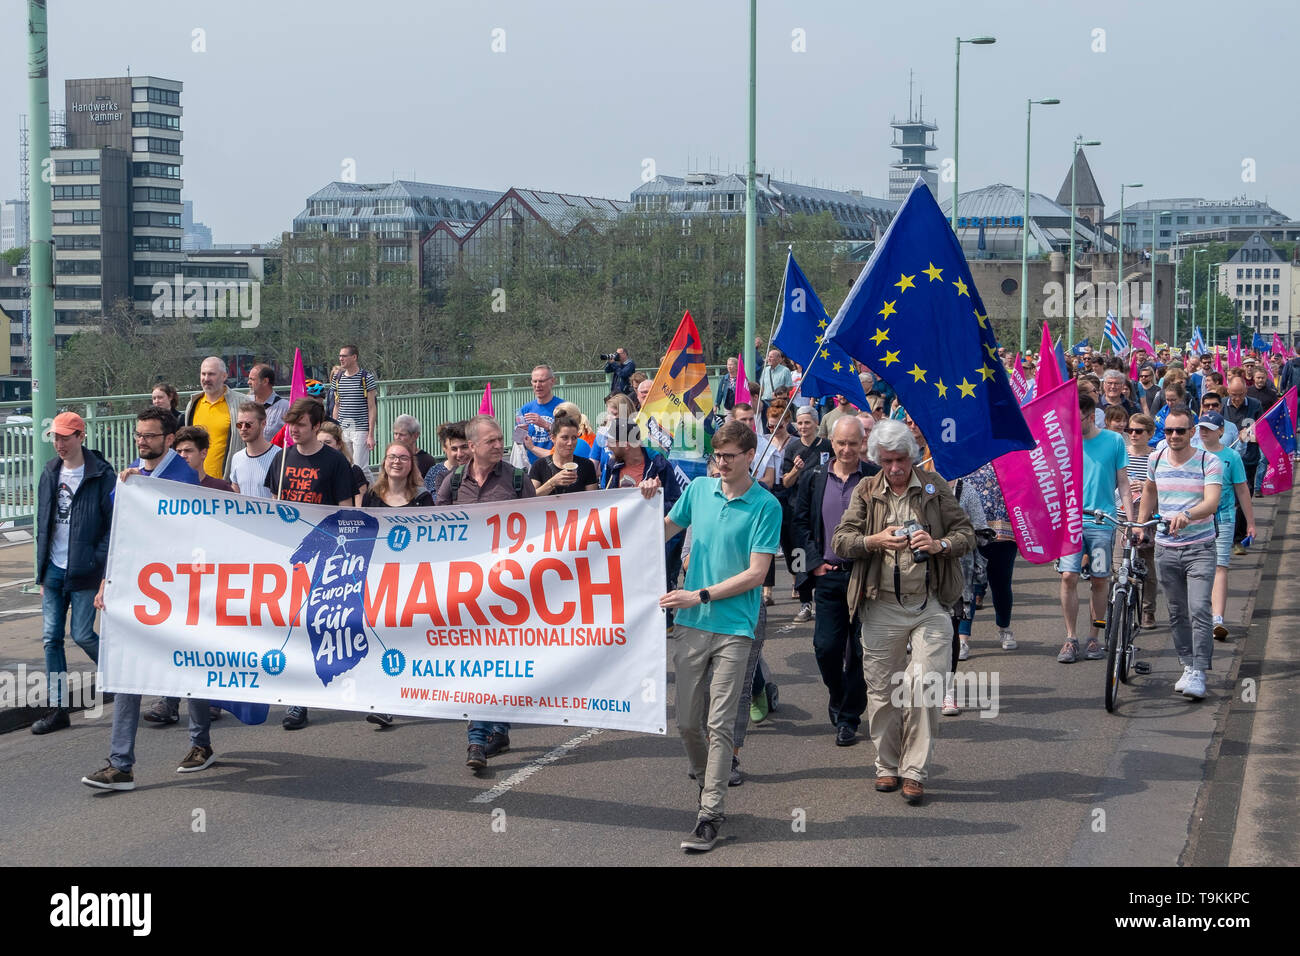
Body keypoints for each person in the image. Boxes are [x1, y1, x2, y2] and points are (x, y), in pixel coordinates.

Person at [830, 418, 975, 806]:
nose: (895, 468)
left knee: (923, 687)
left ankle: (915, 771)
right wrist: (873, 541)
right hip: (880, 606)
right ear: (876, 459)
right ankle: (887, 765)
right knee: (881, 693)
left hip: (929, 605)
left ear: (912, 456)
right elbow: (841, 541)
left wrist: (939, 543)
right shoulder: (866, 489)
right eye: (887, 461)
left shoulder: (932, 486)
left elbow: (966, 534)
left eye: (901, 460)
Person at [661, 420, 782, 852]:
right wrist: (638, 504)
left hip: (734, 626)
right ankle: (705, 780)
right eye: (718, 455)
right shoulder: (698, 491)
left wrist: (700, 594)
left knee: (719, 723)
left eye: (730, 456)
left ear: (750, 456)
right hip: (692, 626)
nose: (722, 463)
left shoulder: (766, 506)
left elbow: (756, 573)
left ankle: (710, 812)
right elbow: (661, 531)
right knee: (687, 722)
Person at [81, 411, 212, 790]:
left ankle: (200, 742)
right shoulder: (132, 476)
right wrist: (107, 581)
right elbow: (122, 532)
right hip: (138, 591)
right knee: (128, 671)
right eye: (139, 435)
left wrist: (143, 486)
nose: (142, 441)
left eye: (150, 436)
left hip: (180, 592)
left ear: (169, 439)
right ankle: (121, 763)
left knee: (192, 668)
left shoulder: (182, 477)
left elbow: (178, 528)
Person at [436, 415, 536, 768]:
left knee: (501, 663)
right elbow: (437, 533)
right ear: (473, 446)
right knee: (476, 664)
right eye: (491, 441)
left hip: (509, 589)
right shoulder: (454, 482)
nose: (499, 445)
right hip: (467, 589)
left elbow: (539, 530)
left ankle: (500, 728)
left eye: (500, 440)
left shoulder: (518, 479)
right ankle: (477, 740)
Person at [265, 397, 358, 731]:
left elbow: (345, 510)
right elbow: (274, 504)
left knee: (316, 624)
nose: (293, 430)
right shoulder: (282, 458)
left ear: (317, 426)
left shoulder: (334, 462)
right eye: (291, 424)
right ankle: (298, 698)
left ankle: (326, 685)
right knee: (291, 624)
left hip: (325, 553)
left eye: (300, 424)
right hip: (288, 555)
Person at [791, 416, 879, 746]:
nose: (846, 449)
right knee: (826, 648)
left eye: (853, 443)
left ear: (862, 444)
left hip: (865, 579)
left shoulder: (873, 477)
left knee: (859, 651)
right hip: (828, 576)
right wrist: (812, 565)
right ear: (831, 441)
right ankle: (838, 695)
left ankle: (849, 718)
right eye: (841, 443)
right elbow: (799, 523)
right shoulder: (814, 476)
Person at [31, 412, 114, 735]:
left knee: (81, 635)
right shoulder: (50, 471)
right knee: (51, 639)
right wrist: (41, 572)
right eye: (55, 437)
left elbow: (111, 525)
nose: (59, 444)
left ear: (81, 436)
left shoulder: (100, 474)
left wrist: (97, 561)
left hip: (84, 569)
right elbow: (44, 522)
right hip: (53, 568)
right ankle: (57, 709)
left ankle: (120, 676)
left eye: (65, 437)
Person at [1137, 405, 1223, 701]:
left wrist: (1188, 513)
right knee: (1176, 612)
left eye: (1180, 431)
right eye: (1169, 430)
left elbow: (1211, 503)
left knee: (1199, 608)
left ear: (1192, 432)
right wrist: (1140, 523)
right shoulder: (1156, 458)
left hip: (1200, 547)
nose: (1174, 436)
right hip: (1165, 548)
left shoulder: (1208, 462)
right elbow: (1150, 490)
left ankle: (1199, 670)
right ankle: (1187, 665)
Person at [1057, 391, 1132, 663]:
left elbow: (1123, 483)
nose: (1073, 425)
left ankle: (1094, 637)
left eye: (1078, 420)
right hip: (1071, 524)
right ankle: (1070, 638)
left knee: (1101, 579)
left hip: (1102, 523)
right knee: (1068, 577)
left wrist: (1129, 521)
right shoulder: (1065, 442)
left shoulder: (1113, 441)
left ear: (1090, 417)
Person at [604, 417, 688, 630]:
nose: (607, 445)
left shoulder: (659, 465)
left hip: (658, 539)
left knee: (660, 584)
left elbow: (675, 505)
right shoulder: (613, 465)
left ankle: (664, 624)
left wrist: (652, 500)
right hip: (625, 540)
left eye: (611, 440)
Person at [1195, 412, 1253, 642]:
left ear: (1221, 431)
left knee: (1220, 567)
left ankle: (1217, 619)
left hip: (1224, 518)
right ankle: (1199, 616)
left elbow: (1242, 489)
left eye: (1209, 428)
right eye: (1201, 428)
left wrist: (1250, 523)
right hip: (1197, 519)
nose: (1204, 432)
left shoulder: (1231, 456)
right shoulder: (1194, 454)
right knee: (1199, 570)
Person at [962, 462, 1020, 653]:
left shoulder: (1012, 454)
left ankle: (1004, 628)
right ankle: (962, 638)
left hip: (1005, 532)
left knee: (1001, 584)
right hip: (970, 531)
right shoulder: (966, 453)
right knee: (966, 585)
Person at [781, 406, 831, 621]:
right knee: (799, 556)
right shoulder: (792, 448)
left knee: (821, 554)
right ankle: (804, 602)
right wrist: (796, 470)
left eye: (807, 422)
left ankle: (823, 600)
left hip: (821, 510)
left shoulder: (827, 446)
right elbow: (785, 482)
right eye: (799, 423)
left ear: (816, 424)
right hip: (797, 510)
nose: (803, 427)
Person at [1123, 414, 1160, 629]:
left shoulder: (1156, 456)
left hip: (1147, 519)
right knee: (1120, 567)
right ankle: (1120, 606)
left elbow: (1162, 485)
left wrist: (1145, 486)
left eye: (1138, 431)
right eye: (1130, 431)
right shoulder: (1122, 455)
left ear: (1150, 434)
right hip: (1123, 517)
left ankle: (1148, 611)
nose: (1133, 435)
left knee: (1147, 568)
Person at [181, 356, 243, 480]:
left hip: (228, 483)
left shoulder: (241, 403)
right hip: (197, 482)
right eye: (203, 374)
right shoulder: (193, 404)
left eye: (211, 374)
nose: (206, 379)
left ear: (224, 376)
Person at [1223, 376, 1262, 553]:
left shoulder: (1255, 405)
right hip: (1226, 460)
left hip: (1248, 460)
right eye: (1233, 395)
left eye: (1239, 395)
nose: (1236, 399)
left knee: (1244, 497)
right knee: (1228, 498)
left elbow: (1262, 432)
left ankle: (1239, 539)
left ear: (1246, 392)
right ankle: (1227, 536)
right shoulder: (1222, 405)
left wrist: (1248, 437)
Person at [331, 344, 378, 479]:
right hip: (343, 428)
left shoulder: (366, 378)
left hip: (360, 428)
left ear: (354, 357)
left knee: (360, 468)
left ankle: (370, 495)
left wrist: (370, 434)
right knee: (346, 465)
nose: (341, 359)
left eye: (344, 356)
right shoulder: (338, 378)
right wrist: (335, 429)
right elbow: (336, 405)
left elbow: (371, 407)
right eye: (340, 356)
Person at [530, 414, 599, 494]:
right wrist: (552, 483)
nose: (570, 443)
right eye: (565, 438)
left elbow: (592, 499)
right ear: (553, 438)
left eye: (574, 438)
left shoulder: (586, 465)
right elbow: (530, 498)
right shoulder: (539, 465)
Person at [517, 364, 564, 464]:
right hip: (532, 466)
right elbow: (518, 442)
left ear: (552, 381)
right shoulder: (526, 409)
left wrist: (546, 425)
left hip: (556, 463)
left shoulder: (563, 407)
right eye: (534, 381)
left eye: (542, 381)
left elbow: (568, 438)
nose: (538, 385)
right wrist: (520, 433)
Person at [228, 401, 276, 499]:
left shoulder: (279, 456)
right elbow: (235, 494)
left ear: (263, 424)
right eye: (239, 425)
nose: (243, 428)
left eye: (248, 424)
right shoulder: (237, 457)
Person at [362, 442, 434, 508]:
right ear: (384, 463)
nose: (397, 461)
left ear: (411, 465)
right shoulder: (371, 495)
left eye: (403, 458)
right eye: (392, 457)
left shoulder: (422, 497)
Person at [318, 420, 368, 505]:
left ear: (339, 444)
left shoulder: (354, 471)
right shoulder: (311, 469)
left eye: (328, 442)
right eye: (319, 442)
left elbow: (360, 506)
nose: (323, 446)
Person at [172, 426, 235, 491]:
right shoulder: (168, 487)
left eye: (188, 450)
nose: (182, 455)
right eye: (179, 451)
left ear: (203, 453)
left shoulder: (221, 488)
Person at [424, 420, 470, 496]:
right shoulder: (435, 473)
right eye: (454, 449)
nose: (460, 454)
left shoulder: (482, 473)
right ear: (444, 448)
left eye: (465, 447)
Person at [247, 363, 289, 442]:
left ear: (265, 381)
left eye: (252, 379)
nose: (248, 382)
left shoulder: (285, 407)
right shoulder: (245, 402)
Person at [391, 414, 438, 481]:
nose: (397, 438)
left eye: (402, 434)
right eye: (395, 434)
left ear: (415, 436)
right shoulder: (390, 457)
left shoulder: (427, 460)